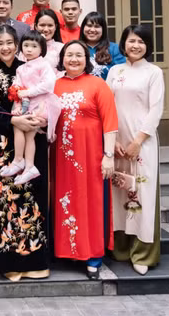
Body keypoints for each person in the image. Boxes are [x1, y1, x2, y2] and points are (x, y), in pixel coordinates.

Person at [0, 25, 51, 282]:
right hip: (3, 143)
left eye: (10, 42)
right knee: (6, 200)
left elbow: (46, 95)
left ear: (18, 44)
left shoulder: (29, 67)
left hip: (33, 137)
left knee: (31, 199)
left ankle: (35, 260)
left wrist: (37, 121)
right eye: (1, 43)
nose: (6, 47)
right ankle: (9, 261)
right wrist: (13, 122)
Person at [53, 39, 119, 280]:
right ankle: (69, 251)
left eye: (78, 55)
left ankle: (93, 255)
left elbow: (110, 122)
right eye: (69, 54)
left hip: (91, 157)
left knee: (91, 203)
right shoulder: (54, 85)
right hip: (61, 159)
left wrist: (108, 156)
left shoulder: (98, 85)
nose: (73, 59)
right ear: (62, 58)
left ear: (87, 59)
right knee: (66, 201)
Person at [106, 25, 165, 276]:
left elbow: (156, 109)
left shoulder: (153, 72)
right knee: (119, 191)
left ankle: (143, 253)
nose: (136, 45)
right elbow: (107, 106)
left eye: (141, 41)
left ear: (147, 45)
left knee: (142, 193)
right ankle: (120, 248)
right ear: (123, 43)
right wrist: (114, 140)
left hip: (143, 142)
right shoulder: (115, 71)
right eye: (131, 41)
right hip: (117, 141)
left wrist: (138, 140)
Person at [0, 31, 61, 186]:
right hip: (27, 104)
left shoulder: (43, 65)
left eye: (34, 46)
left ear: (42, 49)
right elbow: (17, 86)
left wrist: (27, 92)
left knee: (29, 131)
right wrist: (18, 100)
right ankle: (25, 164)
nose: (29, 49)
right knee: (20, 129)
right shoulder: (21, 68)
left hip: (42, 104)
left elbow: (48, 85)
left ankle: (23, 163)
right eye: (26, 46)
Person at [80, 11, 126, 80]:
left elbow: (121, 73)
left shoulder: (115, 49)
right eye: (89, 25)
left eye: (97, 26)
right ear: (83, 27)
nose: (92, 30)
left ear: (103, 29)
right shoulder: (75, 47)